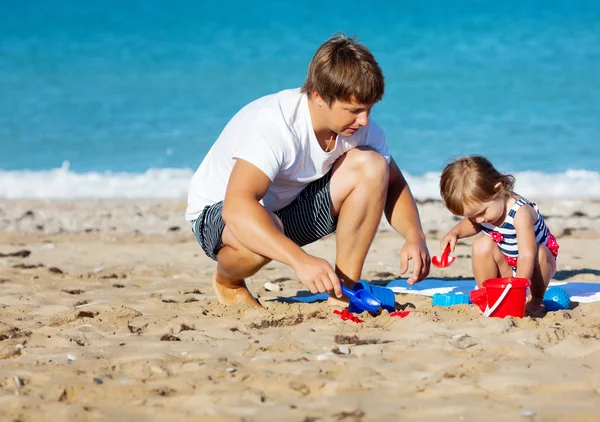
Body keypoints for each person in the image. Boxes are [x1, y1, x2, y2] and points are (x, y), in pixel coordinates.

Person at [186, 34, 430, 307]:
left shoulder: (361, 128)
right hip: (221, 216)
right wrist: (300, 261)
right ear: (318, 96)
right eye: (353, 110)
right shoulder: (273, 125)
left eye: (369, 109)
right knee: (263, 227)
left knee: (372, 165)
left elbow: (393, 183)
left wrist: (414, 235)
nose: (363, 120)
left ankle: (342, 292)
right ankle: (227, 282)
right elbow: (237, 207)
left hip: (289, 210)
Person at [438, 155, 559, 313]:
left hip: (535, 265)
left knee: (540, 253)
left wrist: (518, 291)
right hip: (507, 264)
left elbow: (526, 255)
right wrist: (455, 233)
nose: (478, 219)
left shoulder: (520, 212)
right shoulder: (487, 210)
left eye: (481, 213)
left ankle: (536, 299)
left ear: (499, 189)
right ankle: (488, 295)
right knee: (481, 245)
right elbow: (473, 223)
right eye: (472, 215)